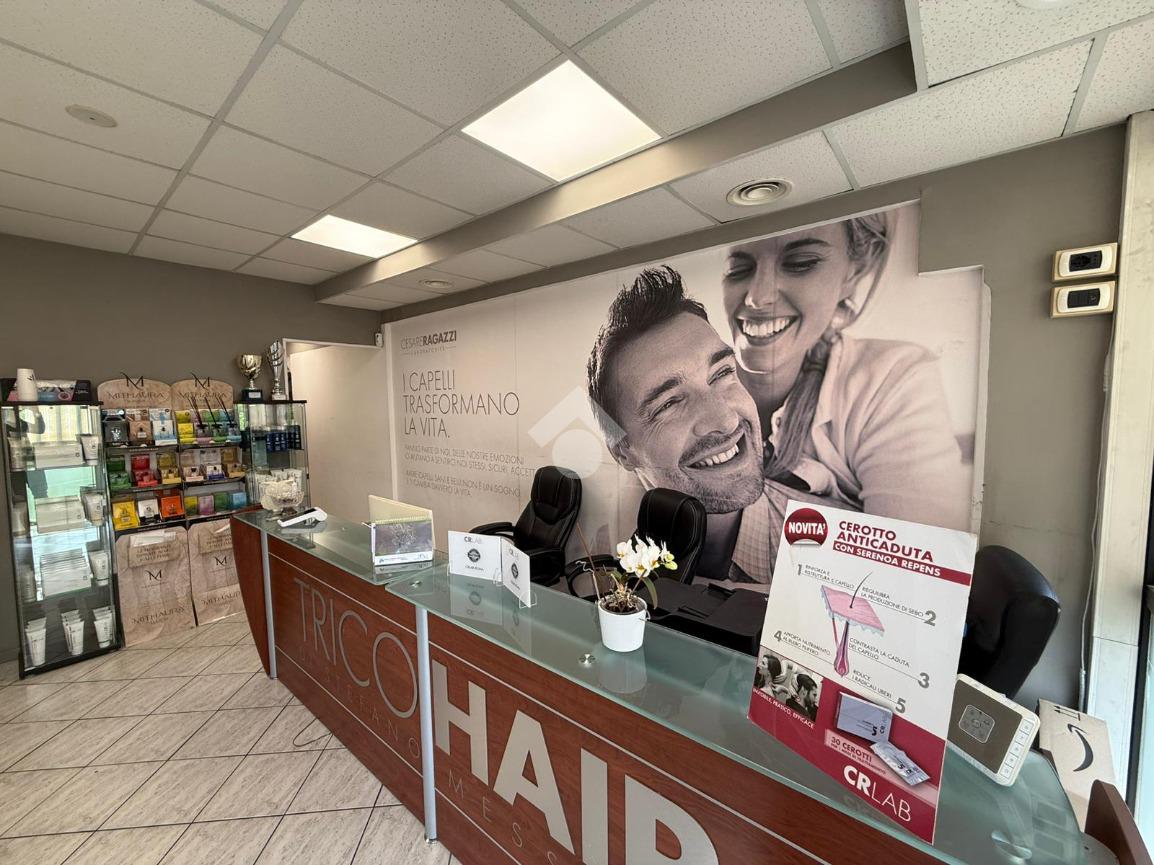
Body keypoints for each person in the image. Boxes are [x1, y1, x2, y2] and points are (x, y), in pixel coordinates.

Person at [721, 214, 970, 531]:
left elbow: (917, 553)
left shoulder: (892, 379)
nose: (757, 297)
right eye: (739, 269)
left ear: (856, 271)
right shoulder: (694, 384)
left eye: (799, 263)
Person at [586, 267, 826, 583]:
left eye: (722, 373)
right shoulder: (609, 547)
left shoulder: (829, 554)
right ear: (623, 452)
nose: (726, 420)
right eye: (669, 403)